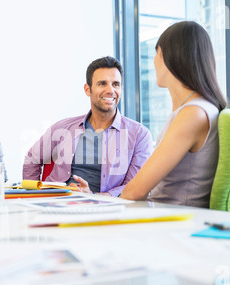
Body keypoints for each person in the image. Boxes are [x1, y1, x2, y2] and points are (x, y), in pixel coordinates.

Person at [120, 21, 226, 208]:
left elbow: (135, 191)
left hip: (171, 222)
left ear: (170, 57)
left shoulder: (193, 114)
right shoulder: (197, 109)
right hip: (166, 216)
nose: (153, 61)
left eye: (156, 53)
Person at [23, 56, 153, 196]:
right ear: (87, 89)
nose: (110, 90)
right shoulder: (64, 127)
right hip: (56, 205)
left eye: (116, 84)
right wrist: (33, 195)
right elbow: (32, 159)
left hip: (105, 211)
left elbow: (135, 185)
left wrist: (93, 196)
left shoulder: (139, 135)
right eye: (102, 83)